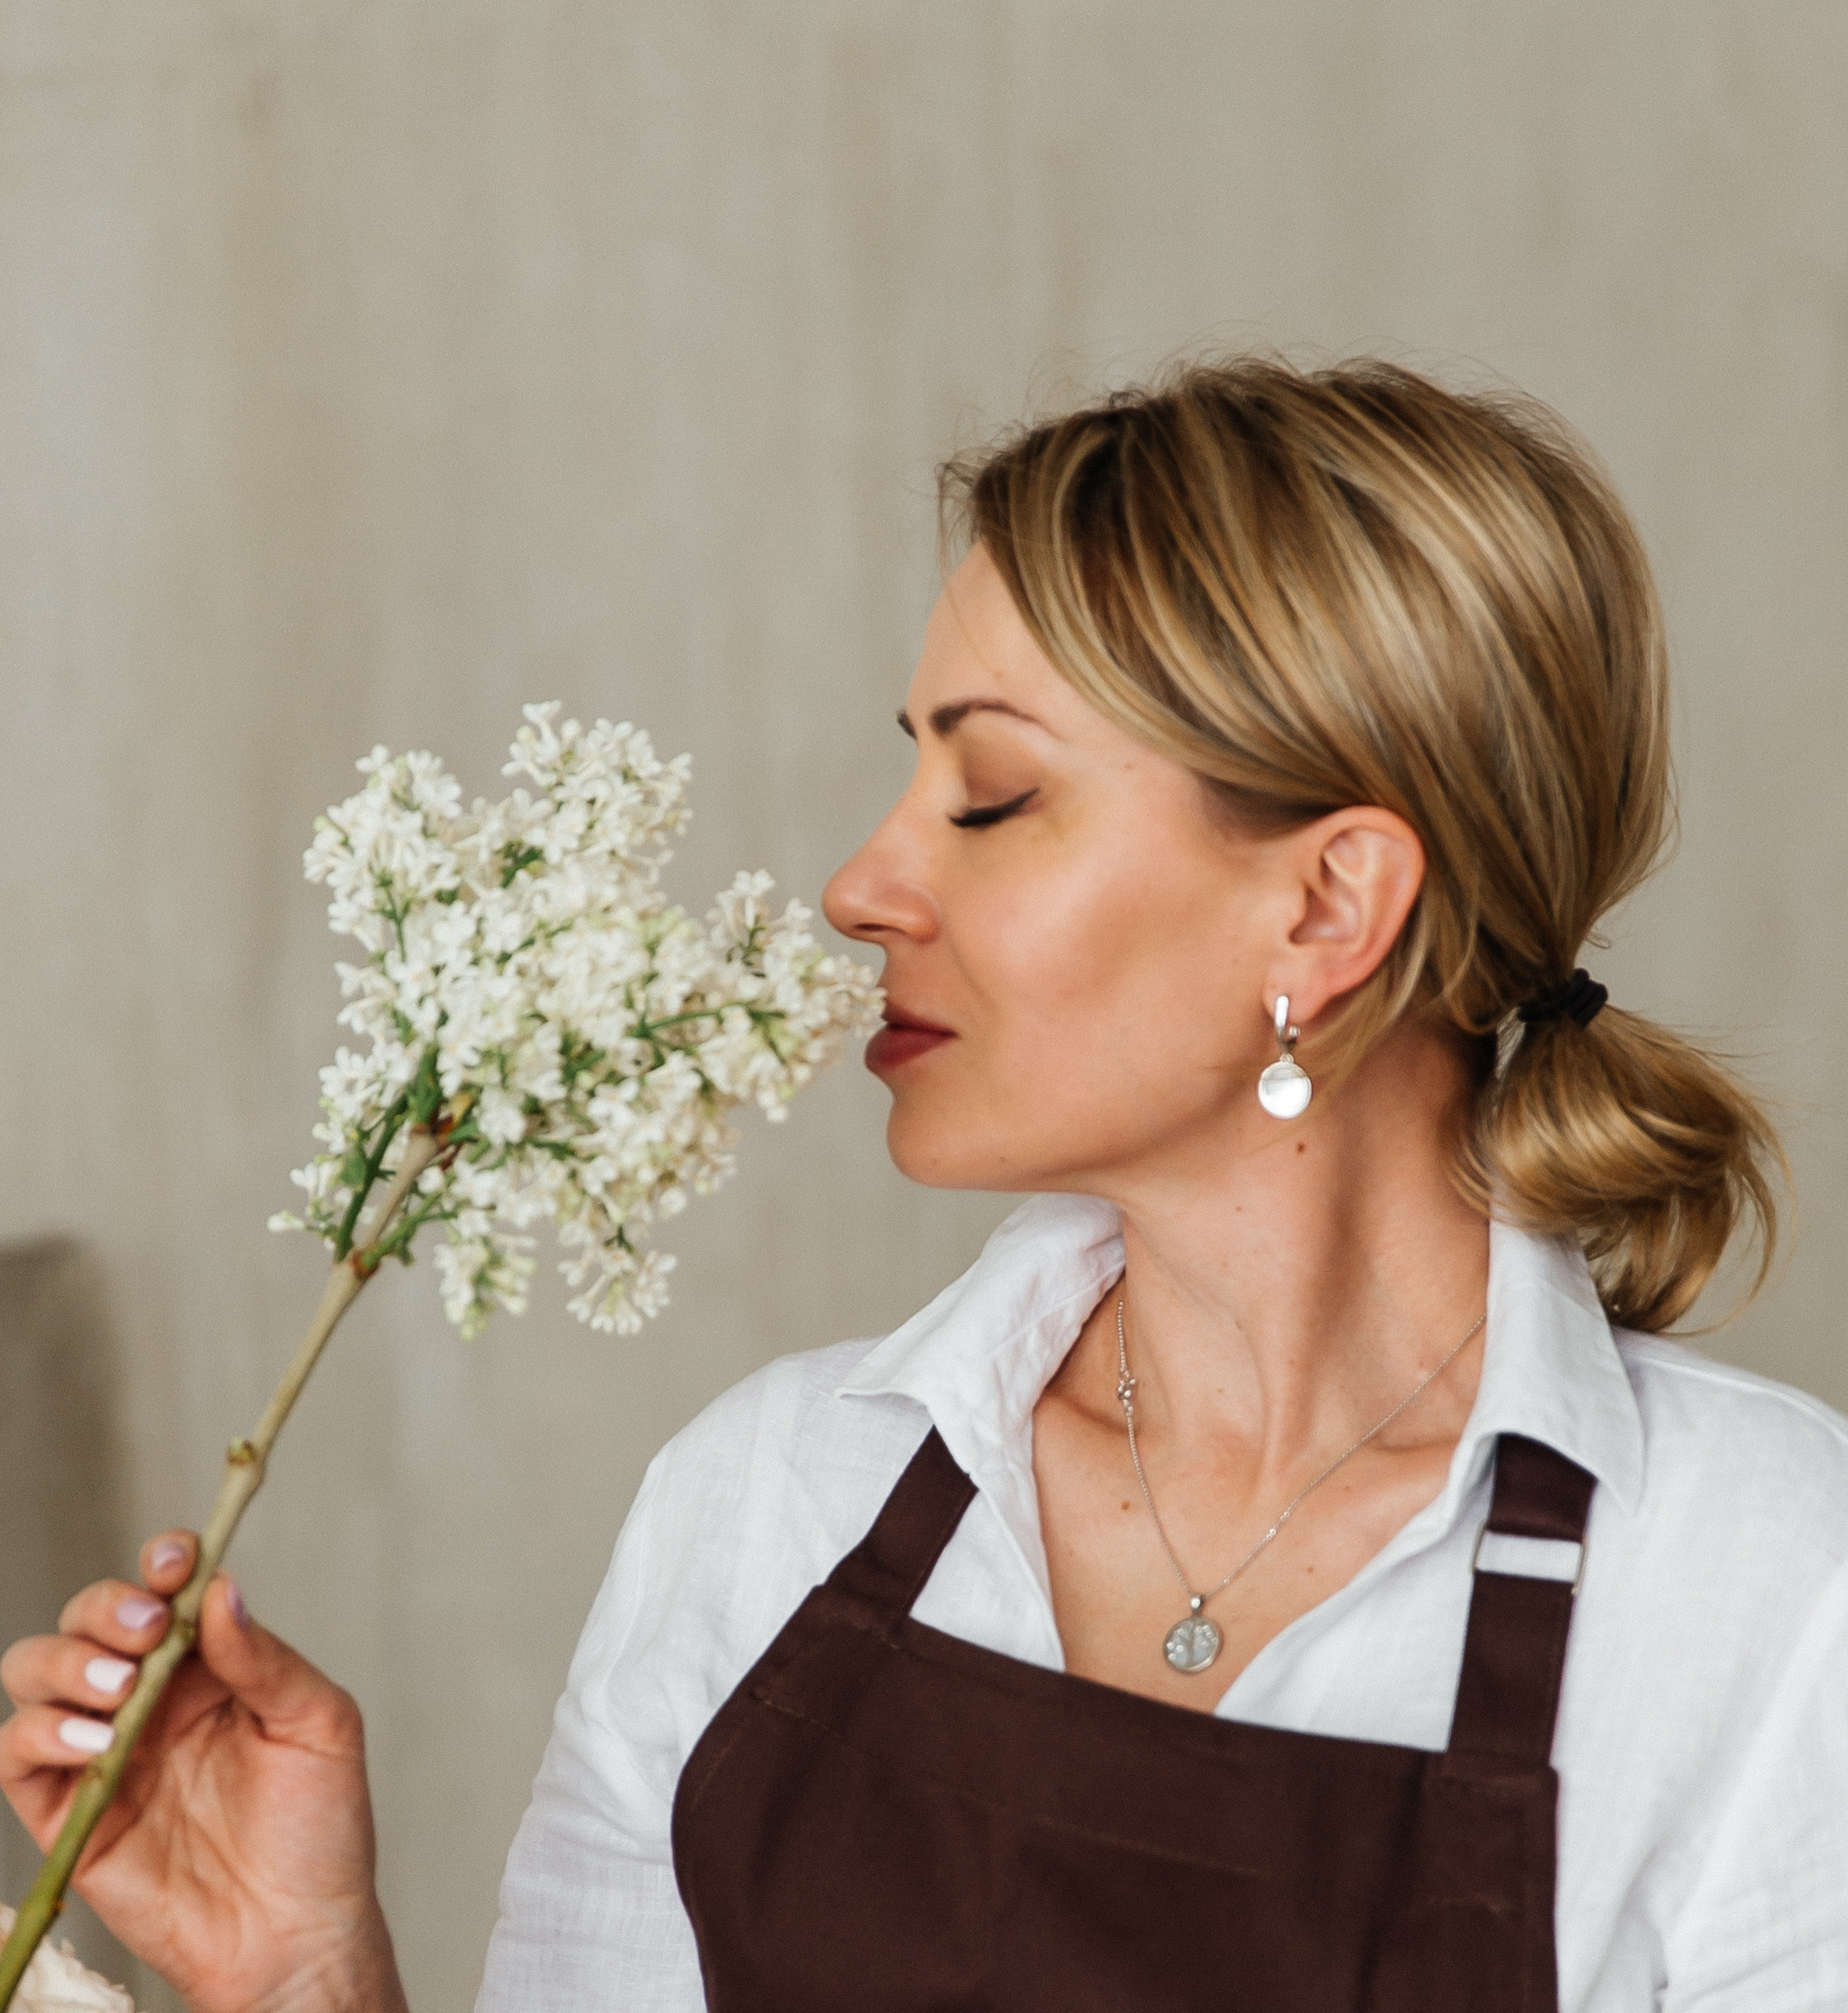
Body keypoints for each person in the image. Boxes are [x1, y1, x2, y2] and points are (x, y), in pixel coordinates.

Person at [6, 358, 1847, 2012]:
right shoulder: (767, 1498)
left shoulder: (1765, 1583)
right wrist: (307, 1979)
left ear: (1324, 905)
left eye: (989, 799)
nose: (859, 888)